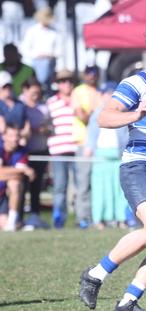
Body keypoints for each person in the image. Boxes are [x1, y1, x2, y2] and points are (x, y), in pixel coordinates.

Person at [78, 16, 146, 311]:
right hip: (139, 163)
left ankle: (128, 301)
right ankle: (95, 274)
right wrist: (135, 114)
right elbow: (105, 117)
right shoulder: (138, 82)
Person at [85, 82, 129, 229]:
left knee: (119, 189)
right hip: (100, 156)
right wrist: (89, 148)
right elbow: (91, 134)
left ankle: (121, 218)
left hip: (118, 155)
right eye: (105, 94)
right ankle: (99, 220)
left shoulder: (120, 113)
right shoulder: (96, 114)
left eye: (111, 94)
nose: (108, 97)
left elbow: (125, 134)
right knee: (100, 189)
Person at [46, 70, 78, 229]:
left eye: (69, 80)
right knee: (59, 186)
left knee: (81, 186)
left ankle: (82, 218)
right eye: (63, 81)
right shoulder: (51, 102)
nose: (67, 84)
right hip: (58, 149)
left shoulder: (78, 99)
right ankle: (59, 218)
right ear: (58, 84)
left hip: (77, 148)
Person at [71, 65, 102, 228]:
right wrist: (94, 113)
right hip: (84, 143)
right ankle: (82, 217)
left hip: (100, 145)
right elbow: (82, 117)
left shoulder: (100, 92)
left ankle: (96, 216)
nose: (92, 77)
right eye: (89, 74)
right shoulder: (78, 91)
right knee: (83, 183)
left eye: (94, 74)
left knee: (98, 183)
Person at [19, 77, 50, 230]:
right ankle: (18, 217)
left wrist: (45, 129)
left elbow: (50, 128)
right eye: (33, 93)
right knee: (21, 186)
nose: (36, 96)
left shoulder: (44, 108)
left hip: (41, 151)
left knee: (36, 187)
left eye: (38, 93)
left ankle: (34, 217)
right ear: (24, 91)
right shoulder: (20, 106)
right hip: (23, 153)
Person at [0, 124, 34, 231]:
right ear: (4, 136)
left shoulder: (22, 151)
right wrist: (23, 170)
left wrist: (8, 172)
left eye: (17, 136)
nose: (15, 139)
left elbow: (19, 176)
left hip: (3, 194)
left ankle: (12, 222)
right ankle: (20, 224)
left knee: (15, 183)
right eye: (11, 135)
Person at [20, 7, 59, 95]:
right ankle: (42, 89)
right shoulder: (32, 31)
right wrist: (39, 55)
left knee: (46, 66)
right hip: (36, 63)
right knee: (44, 67)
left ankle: (45, 91)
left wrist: (50, 55)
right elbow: (25, 49)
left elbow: (58, 50)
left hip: (51, 63)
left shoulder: (54, 32)